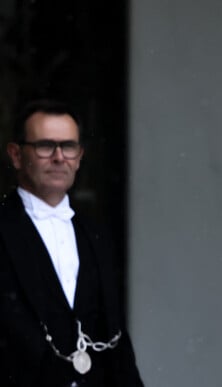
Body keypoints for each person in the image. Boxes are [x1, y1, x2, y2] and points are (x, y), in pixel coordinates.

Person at [0, 99, 144, 386]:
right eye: (44, 145)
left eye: (68, 146)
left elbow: (115, 338)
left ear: (79, 157)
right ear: (16, 155)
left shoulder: (96, 235)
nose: (58, 157)